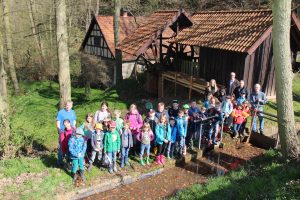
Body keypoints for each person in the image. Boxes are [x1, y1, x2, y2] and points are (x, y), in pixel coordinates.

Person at [56, 100, 76, 167]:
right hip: (63, 132)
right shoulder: (61, 112)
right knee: (61, 147)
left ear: (71, 106)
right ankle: (59, 162)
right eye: (67, 105)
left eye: (69, 105)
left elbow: (74, 121)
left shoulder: (73, 112)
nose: (68, 106)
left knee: (70, 147)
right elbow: (58, 122)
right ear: (65, 105)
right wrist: (59, 130)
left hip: (71, 132)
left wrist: (74, 129)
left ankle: (69, 162)